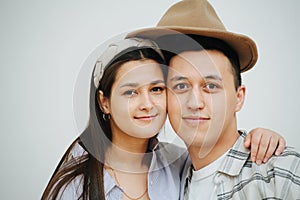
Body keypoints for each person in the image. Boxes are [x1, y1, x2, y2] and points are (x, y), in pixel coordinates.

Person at [42, 37, 286, 200]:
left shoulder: (178, 162)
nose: (147, 104)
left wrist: (257, 136)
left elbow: (218, 155)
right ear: (104, 102)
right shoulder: (75, 187)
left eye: (157, 89)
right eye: (130, 92)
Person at [127, 0, 300, 199]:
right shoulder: (169, 181)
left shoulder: (279, 174)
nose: (195, 103)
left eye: (211, 86)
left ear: (239, 97)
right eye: (181, 86)